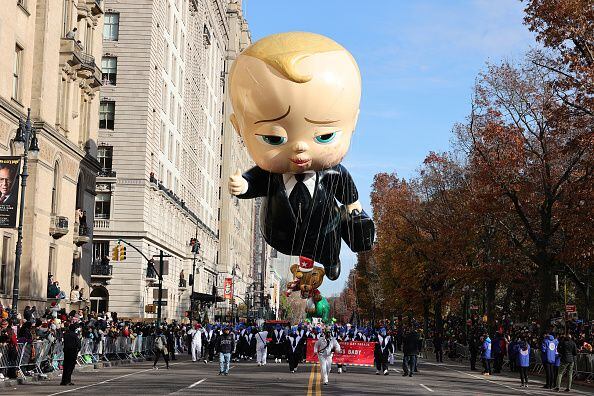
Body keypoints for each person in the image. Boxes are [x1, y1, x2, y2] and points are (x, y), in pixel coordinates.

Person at [227, 32, 374, 282]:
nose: (299, 149)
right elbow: (256, 181)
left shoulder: (333, 173)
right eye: (274, 139)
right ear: (240, 128)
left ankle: (330, 259)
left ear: (353, 124)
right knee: (300, 237)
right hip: (280, 234)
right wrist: (244, 185)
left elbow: (347, 191)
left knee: (328, 239)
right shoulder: (271, 174)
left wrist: (353, 206)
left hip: (323, 230)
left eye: (324, 136)